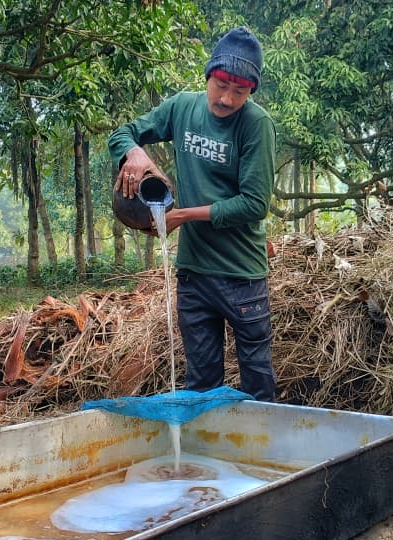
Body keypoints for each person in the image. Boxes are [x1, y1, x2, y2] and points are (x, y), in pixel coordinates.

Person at [108, 27, 277, 401]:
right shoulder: (182, 107)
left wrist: (182, 215)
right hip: (194, 274)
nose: (227, 99)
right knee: (200, 384)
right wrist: (133, 152)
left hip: (242, 276)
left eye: (240, 91)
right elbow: (122, 133)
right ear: (209, 76)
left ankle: (261, 457)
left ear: (251, 91)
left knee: (258, 383)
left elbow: (253, 204)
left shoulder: (256, 125)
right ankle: (205, 459)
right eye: (220, 85)